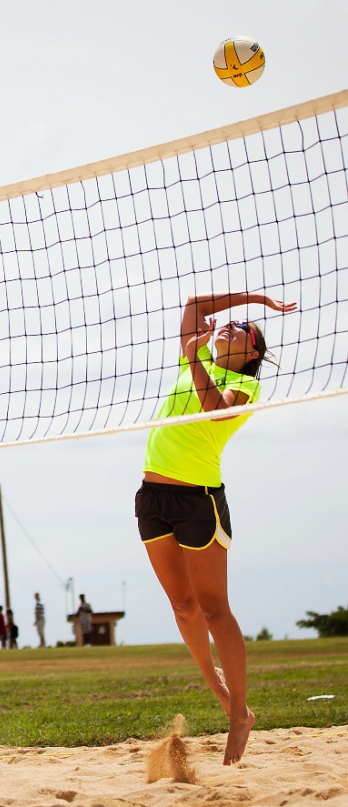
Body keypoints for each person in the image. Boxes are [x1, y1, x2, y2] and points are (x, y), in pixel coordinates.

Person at [135, 291, 294, 766]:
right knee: (182, 606)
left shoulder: (244, 386)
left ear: (252, 352)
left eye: (243, 328)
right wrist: (258, 300)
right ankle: (222, 694)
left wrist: (193, 357)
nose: (231, 324)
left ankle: (239, 713)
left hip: (198, 500)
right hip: (152, 495)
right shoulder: (198, 358)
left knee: (214, 610)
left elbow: (214, 409)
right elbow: (194, 305)